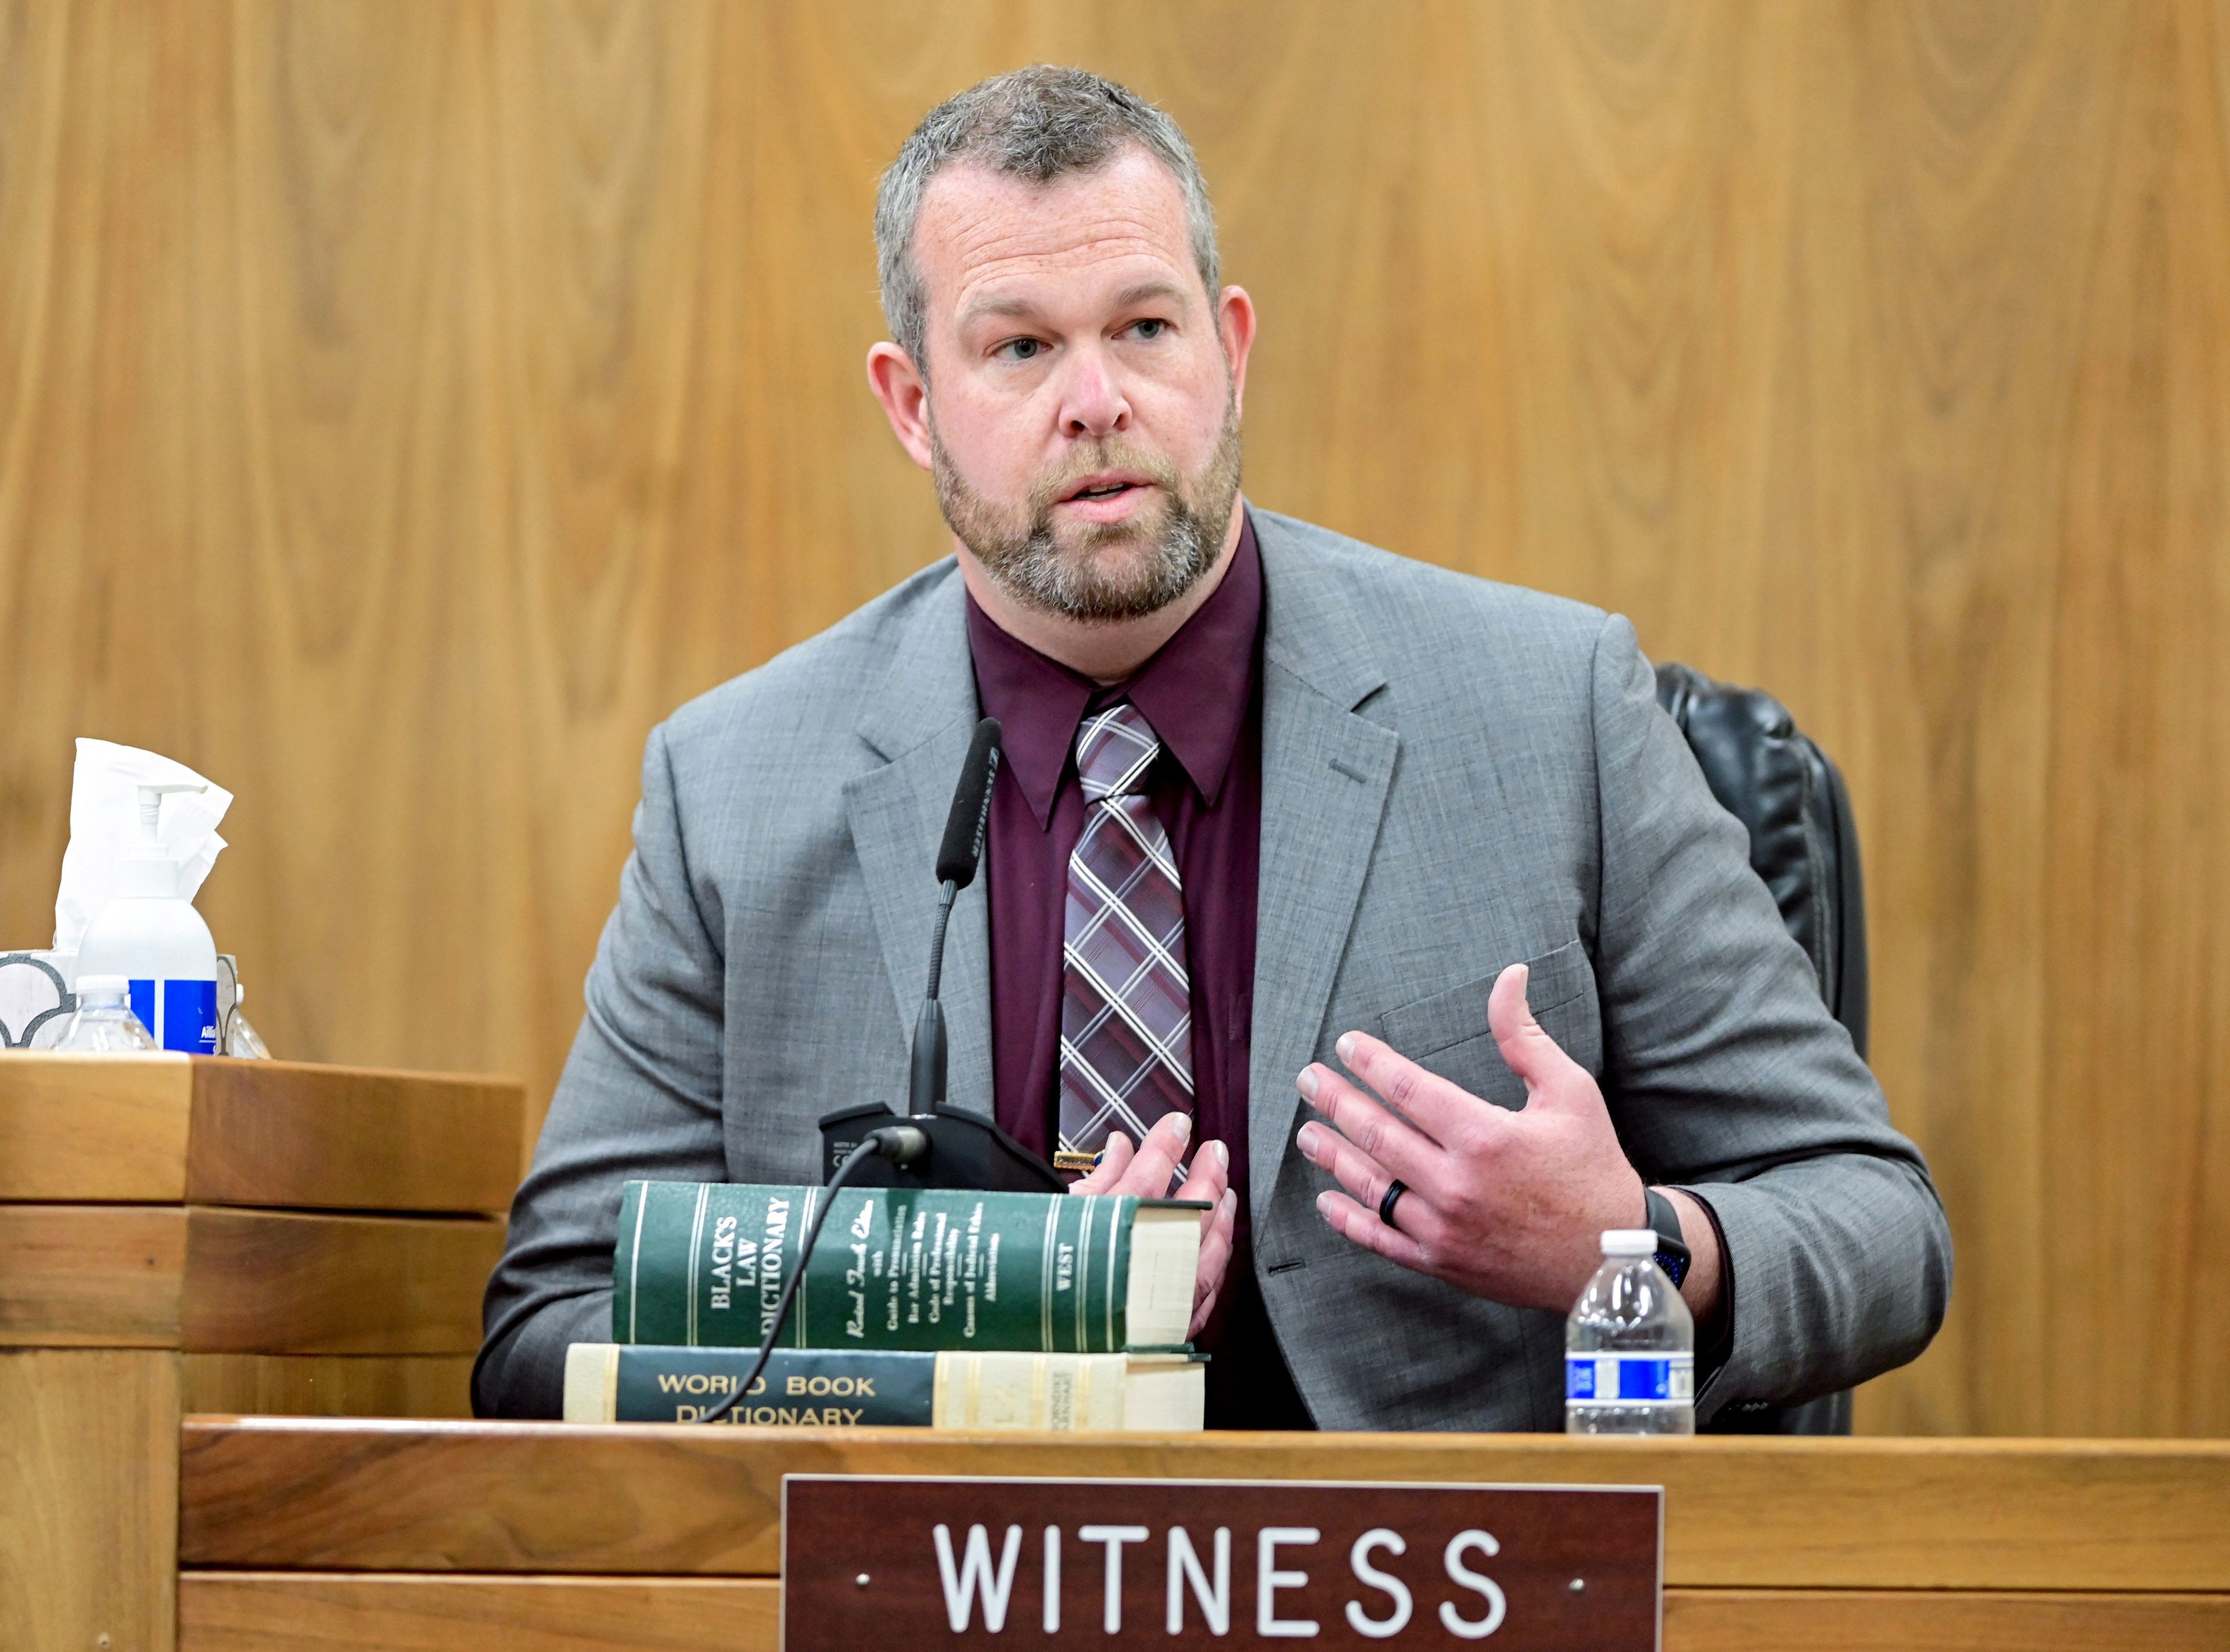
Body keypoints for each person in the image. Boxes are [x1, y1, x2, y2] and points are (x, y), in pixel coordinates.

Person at [476, 66, 1951, 1431]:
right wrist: (979, 1333)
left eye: (1143, 327)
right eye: (1019, 350)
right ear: (914, 408)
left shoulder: (1547, 709)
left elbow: (1883, 1226)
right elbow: (546, 1337)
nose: (1098, 399)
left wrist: (1622, 1249)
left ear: (1228, 350)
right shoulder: (732, 788)